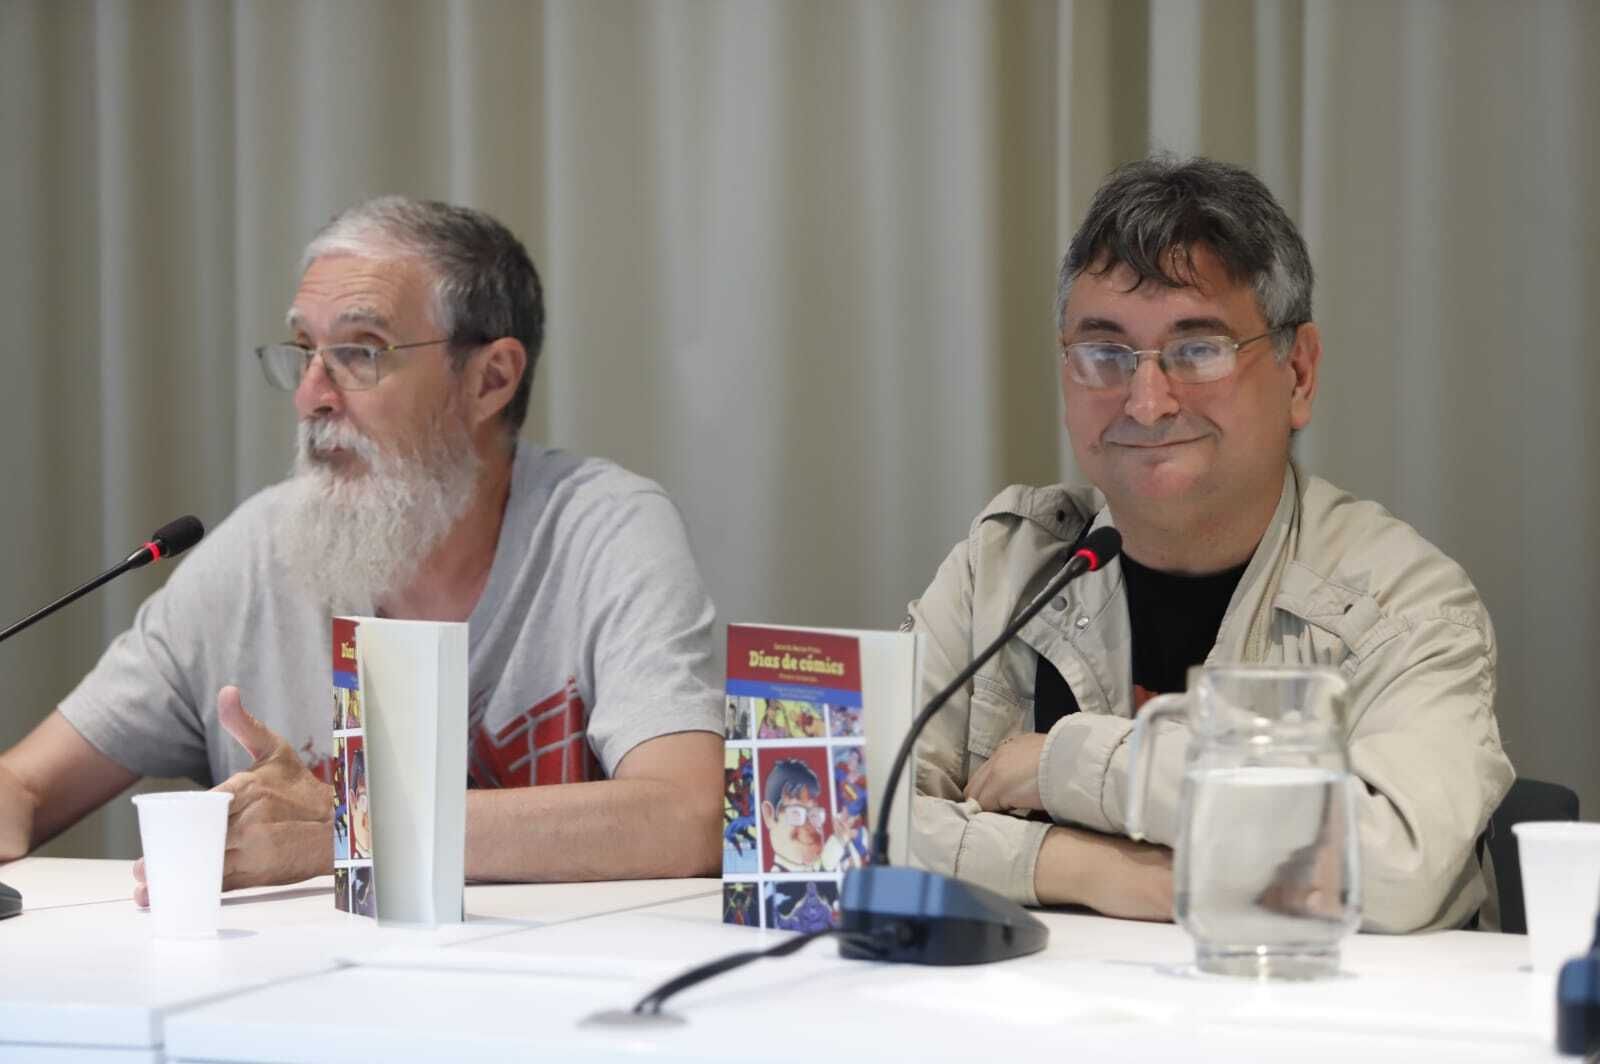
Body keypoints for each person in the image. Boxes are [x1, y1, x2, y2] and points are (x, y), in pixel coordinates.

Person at [0, 196, 725, 899]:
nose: (311, 396)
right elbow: (26, 788)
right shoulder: (256, 553)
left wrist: (347, 830)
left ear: (490, 379)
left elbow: (689, 815)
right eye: (305, 351)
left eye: (359, 353)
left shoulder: (603, 530)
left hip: (544, 1007)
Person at [907, 156, 1514, 933]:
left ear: (1298, 374)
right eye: (1105, 353)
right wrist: (1091, 870)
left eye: (1198, 350)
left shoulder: (1405, 604)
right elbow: (847, 820)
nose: (1147, 401)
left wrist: (1080, 766)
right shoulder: (1003, 569)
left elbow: (1393, 869)